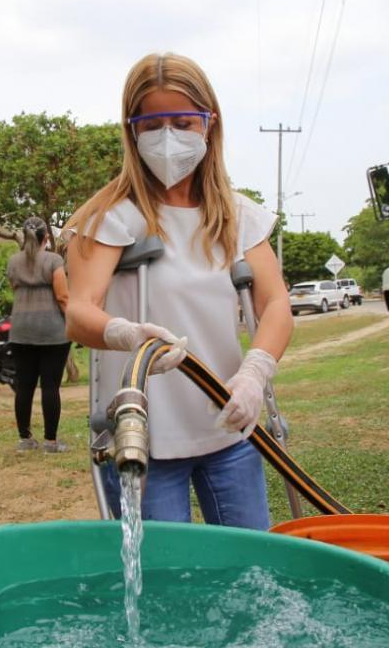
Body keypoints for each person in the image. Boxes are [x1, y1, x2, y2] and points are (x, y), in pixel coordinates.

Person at [65, 52, 293, 530]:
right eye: (153, 124)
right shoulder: (107, 217)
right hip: (146, 440)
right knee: (163, 585)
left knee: (248, 572)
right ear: (132, 131)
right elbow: (80, 312)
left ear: (209, 125)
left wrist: (255, 372)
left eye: (183, 122)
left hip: (230, 432)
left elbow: (274, 305)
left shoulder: (238, 216)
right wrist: (126, 334)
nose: (169, 138)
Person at [6, 216, 72, 453]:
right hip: (52, 331)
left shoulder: (14, 262)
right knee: (50, 386)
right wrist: (73, 322)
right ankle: (51, 442)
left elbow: (15, 288)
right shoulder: (53, 260)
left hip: (21, 330)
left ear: (25, 236)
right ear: (46, 237)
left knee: (24, 386)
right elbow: (63, 297)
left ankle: (25, 439)